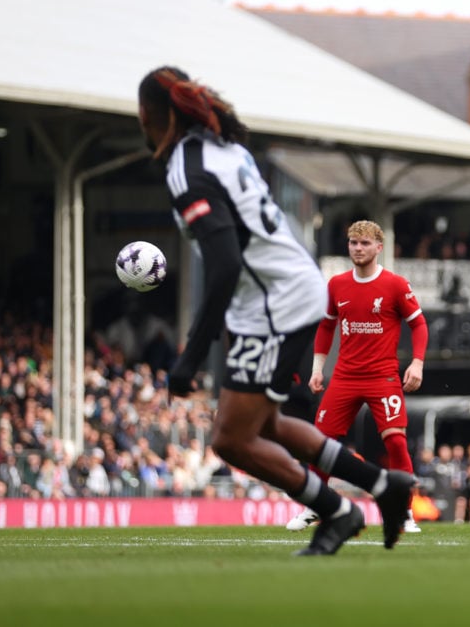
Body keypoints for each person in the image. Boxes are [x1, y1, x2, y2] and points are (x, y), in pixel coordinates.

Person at [137, 66, 413, 555]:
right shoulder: (227, 151)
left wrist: (191, 355)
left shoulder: (186, 167)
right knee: (265, 426)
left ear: (155, 116)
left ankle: (338, 511)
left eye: (141, 116)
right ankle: (382, 486)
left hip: (275, 302)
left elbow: (223, 265)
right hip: (274, 294)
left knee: (230, 439)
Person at [286, 220, 428, 533]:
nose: (358, 248)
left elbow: (419, 324)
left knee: (396, 443)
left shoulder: (395, 285)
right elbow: (326, 326)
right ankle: (315, 507)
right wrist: (317, 369)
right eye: (353, 243)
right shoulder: (336, 285)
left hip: (383, 378)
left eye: (364, 243)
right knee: (320, 445)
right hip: (345, 377)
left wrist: (416, 363)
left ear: (379, 247)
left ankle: (404, 512)